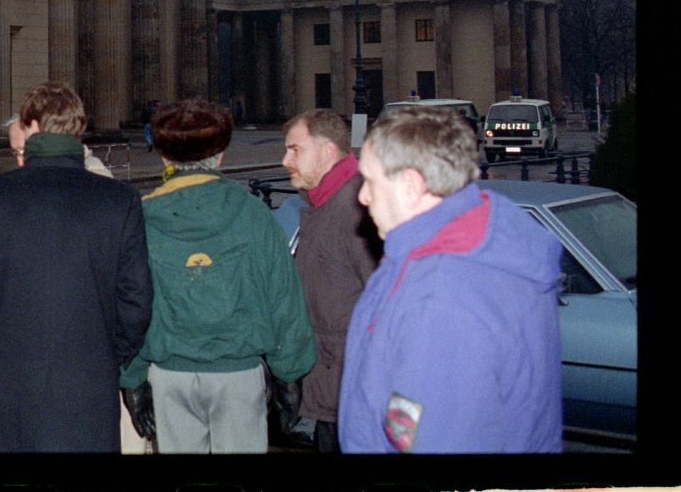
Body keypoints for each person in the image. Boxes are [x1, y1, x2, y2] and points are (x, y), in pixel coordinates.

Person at [338, 105, 562, 453]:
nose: (362, 197)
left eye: (369, 180)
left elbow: (433, 440)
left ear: (411, 185)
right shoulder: (469, 242)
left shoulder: (444, 295)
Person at [0, 82, 152, 452]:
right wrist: (110, 352)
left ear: (30, 128)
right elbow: (137, 299)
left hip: (14, 375)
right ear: (77, 131)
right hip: (90, 377)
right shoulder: (119, 200)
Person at [120, 98, 316, 454]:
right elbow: (283, 298)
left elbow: (130, 304)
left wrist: (132, 379)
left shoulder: (141, 218)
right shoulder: (252, 214)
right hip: (237, 374)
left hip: (169, 374)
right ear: (221, 156)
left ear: (164, 157)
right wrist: (289, 375)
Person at [279, 109, 381, 452]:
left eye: (295, 150)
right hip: (334, 394)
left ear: (327, 152)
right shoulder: (325, 205)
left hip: (354, 399)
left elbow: (386, 307)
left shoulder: (355, 209)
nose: (285, 160)